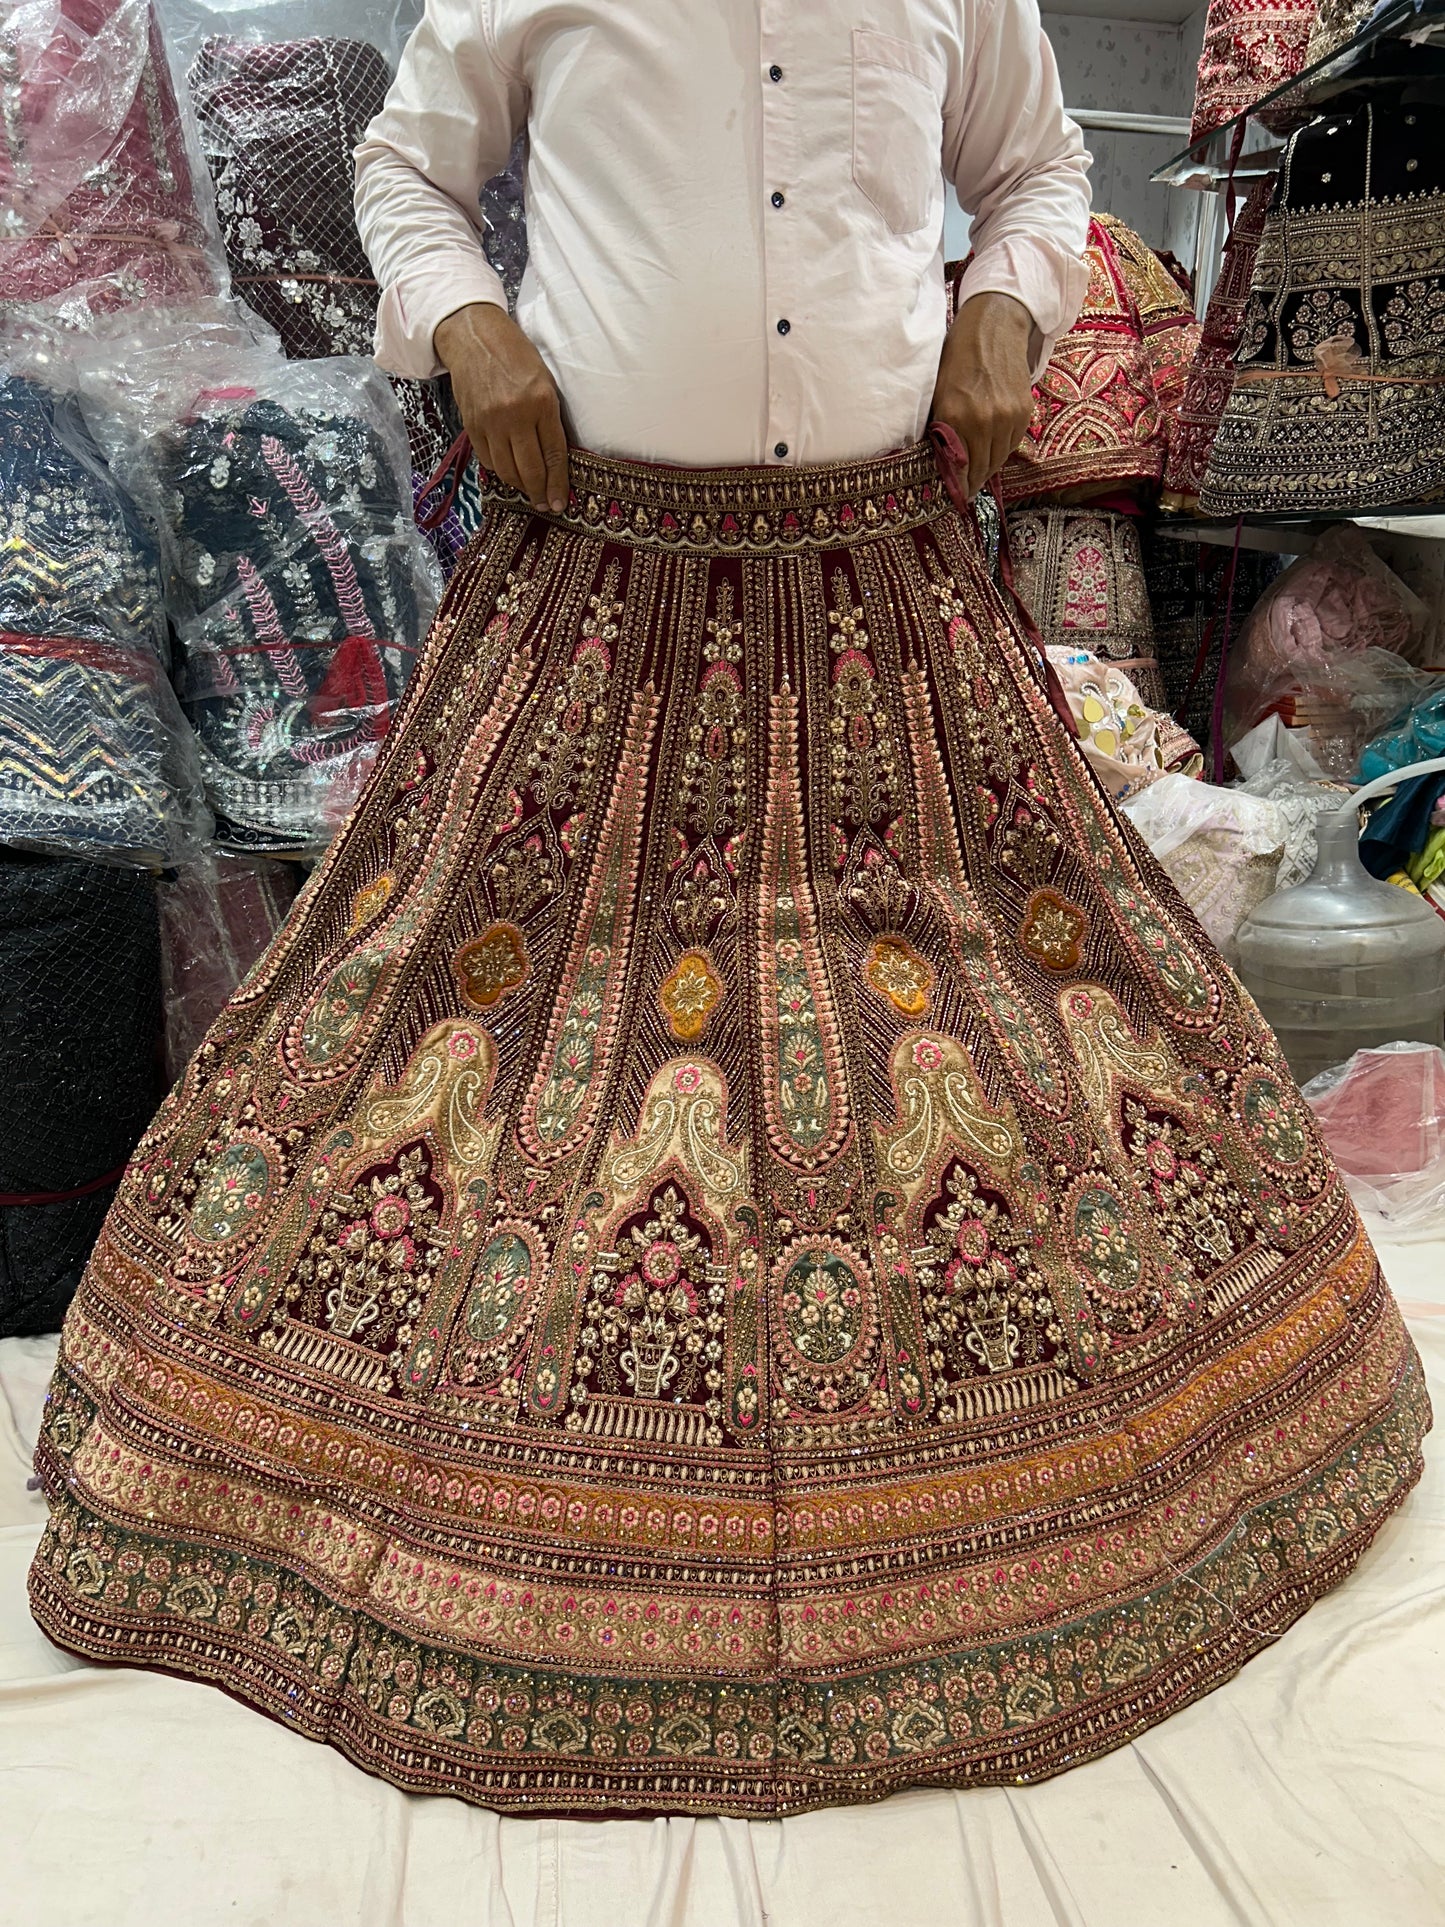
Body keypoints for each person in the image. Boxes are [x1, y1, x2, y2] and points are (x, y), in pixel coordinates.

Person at [30, 0, 1427, 1822]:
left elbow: (1037, 170)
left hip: (884, 583)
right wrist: (471, 336)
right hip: (593, 589)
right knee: (468, 1021)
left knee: (1006, 1007)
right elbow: (406, 167)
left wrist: (1005, 308)